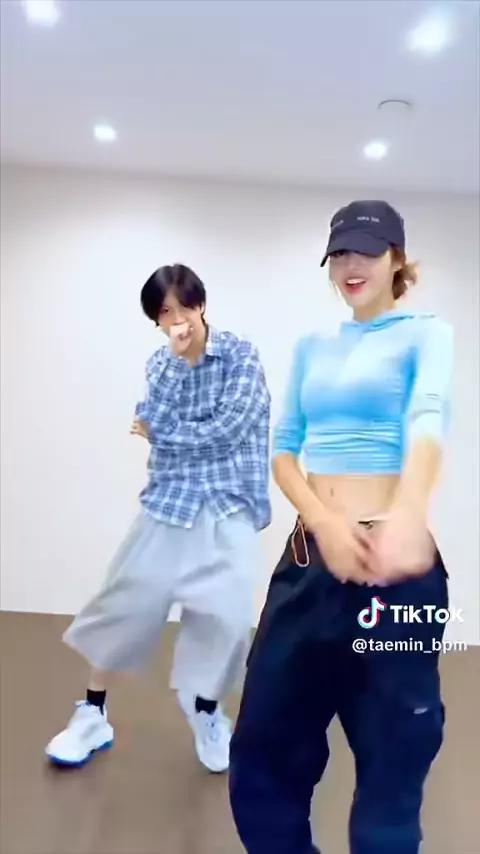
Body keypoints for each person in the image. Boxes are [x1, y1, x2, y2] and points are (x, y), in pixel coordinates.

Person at [229, 201, 453, 854]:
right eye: (340, 254)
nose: (352, 266)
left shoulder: (426, 334)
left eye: (367, 251)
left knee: (394, 760)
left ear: (396, 259)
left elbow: (428, 418)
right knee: (263, 750)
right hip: (309, 564)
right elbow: (284, 448)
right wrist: (323, 519)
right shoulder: (313, 346)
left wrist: (409, 511)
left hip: (395, 574)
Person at [45, 263, 271, 774]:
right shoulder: (161, 364)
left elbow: (227, 430)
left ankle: (206, 711)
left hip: (229, 502)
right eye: (165, 312)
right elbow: (149, 418)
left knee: (228, 618)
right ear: (156, 320)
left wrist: (163, 433)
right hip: (169, 500)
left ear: (201, 304)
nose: (177, 319)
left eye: (183, 306)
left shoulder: (241, 355)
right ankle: (92, 714)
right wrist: (167, 410)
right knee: (126, 602)